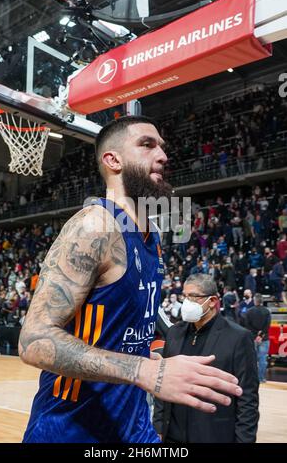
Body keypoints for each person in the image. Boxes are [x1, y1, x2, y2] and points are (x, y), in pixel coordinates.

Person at [19, 116, 242, 443]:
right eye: (147, 145)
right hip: (72, 430)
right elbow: (32, 340)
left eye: (162, 147)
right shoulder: (94, 227)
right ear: (113, 160)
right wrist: (143, 371)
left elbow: (116, 334)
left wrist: (148, 360)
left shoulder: (153, 239)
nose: (163, 155)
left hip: (134, 427)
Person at [153, 274, 259, 443]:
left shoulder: (238, 337)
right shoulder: (174, 333)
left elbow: (247, 399)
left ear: (212, 301)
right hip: (172, 435)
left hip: (213, 434)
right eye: (185, 296)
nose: (187, 302)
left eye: (193, 297)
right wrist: (158, 427)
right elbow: (163, 381)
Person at [245, 293, 271, 383]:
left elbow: (247, 325)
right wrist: (260, 335)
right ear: (262, 301)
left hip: (252, 338)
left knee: (252, 359)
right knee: (263, 359)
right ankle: (261, 379)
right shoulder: (267, 311)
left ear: (254, 301)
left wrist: (256, 335)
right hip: (264, 338)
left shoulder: (249, 311)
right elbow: (267, 325)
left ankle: (252, 379)